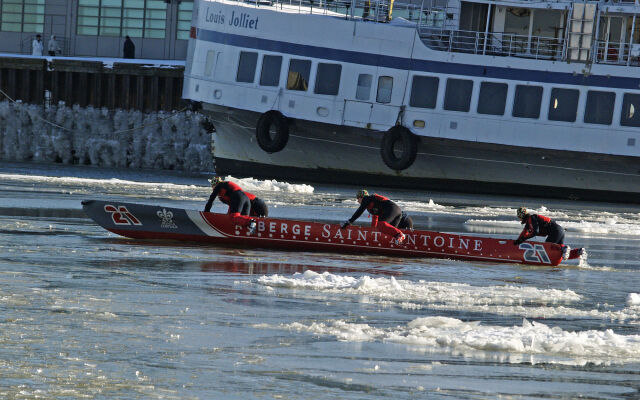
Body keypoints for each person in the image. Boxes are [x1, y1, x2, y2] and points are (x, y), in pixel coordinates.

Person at [341, 190, 406, 245]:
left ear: (361, 197)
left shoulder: (366, 198)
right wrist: (372, 232)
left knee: (381, 225)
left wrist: (350, 221)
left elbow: (360, 211)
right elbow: (375, 218)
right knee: (388, 232)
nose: (357, 201)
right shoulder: (372, 204)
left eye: (358, 198)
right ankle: (400, 237)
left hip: (392, 209)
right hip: (397, 210)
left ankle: (400, 235)